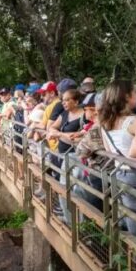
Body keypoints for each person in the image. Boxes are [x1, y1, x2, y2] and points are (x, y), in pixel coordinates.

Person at [99, 80, 136, 235]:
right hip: (135, 175)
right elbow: (135, 152)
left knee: (129, 216)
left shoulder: (105, 122)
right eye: (135, 92)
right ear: (127, 97)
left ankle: (128, 247)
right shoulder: (134, 121)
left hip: (119, 173)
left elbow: (109, 151)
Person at [47, 88, 84, 222]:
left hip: (76, 158)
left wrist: (58, 135)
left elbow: (79, 138)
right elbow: (51, 127)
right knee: (63, 187)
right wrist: (59, 134)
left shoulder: (84, 116)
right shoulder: (64, 114)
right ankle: (69, 217)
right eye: (63, 100)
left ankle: (79, 222)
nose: (63, 103)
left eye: (67, 100)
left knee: (77, 190)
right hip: (63, 156)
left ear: (76, 101)